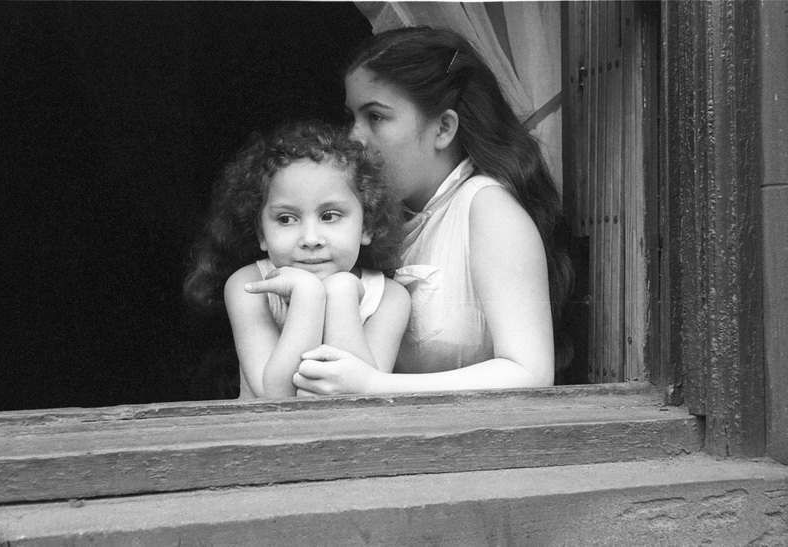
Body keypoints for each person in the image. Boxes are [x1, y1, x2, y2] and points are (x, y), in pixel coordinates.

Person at [254, 26, 573, 396]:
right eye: (352, 117)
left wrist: (375, 384)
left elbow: (530, 373)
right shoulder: (368, 217)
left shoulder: (487, 207)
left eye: (375, 117)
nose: (354, 136)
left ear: (443, 128)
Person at [184, 121, 410, 398]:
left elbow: (361, 398)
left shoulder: (389, 298)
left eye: (330, 216)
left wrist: (341, 295)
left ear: (367, 226)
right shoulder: (249, 286)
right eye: (286, 219)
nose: (310, 238)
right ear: (261, 232)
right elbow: (275, 397)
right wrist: (308, 296)